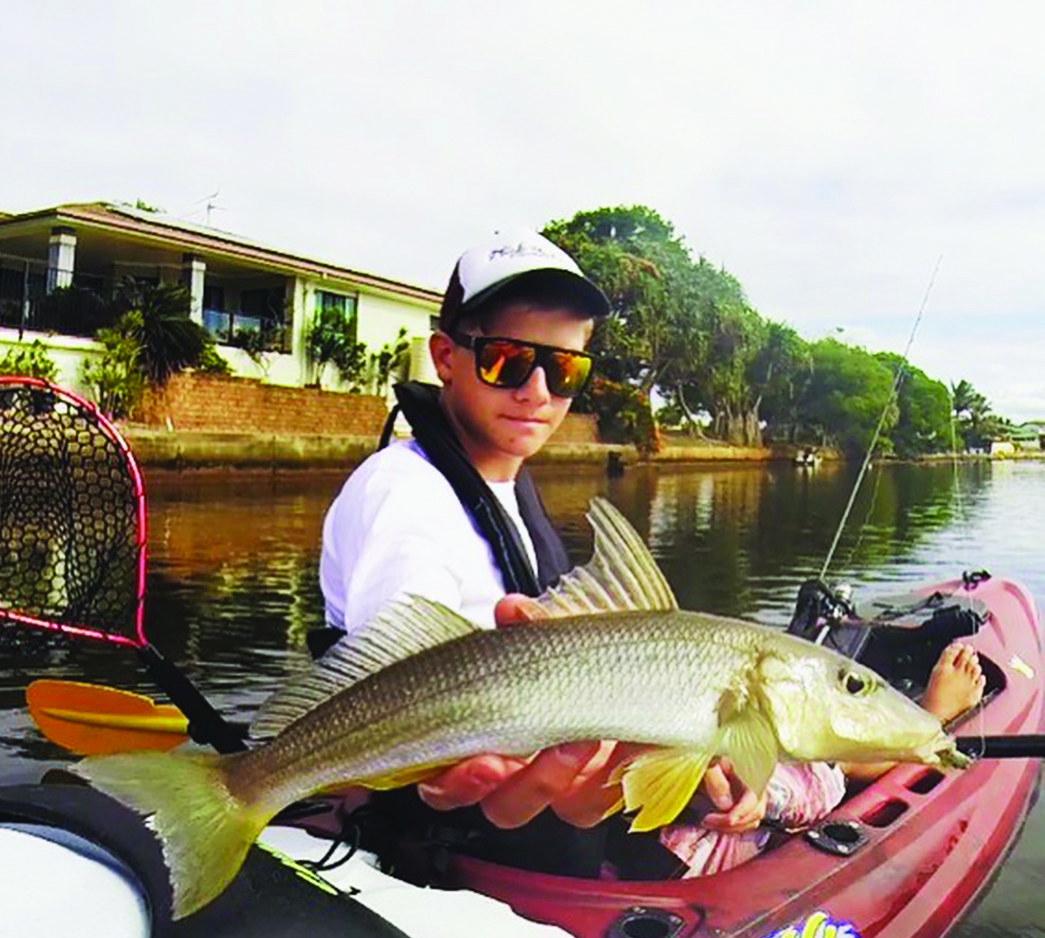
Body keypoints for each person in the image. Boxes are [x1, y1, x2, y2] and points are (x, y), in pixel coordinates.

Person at [318, 228, 757, 871]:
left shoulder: (505, 482)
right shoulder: (401, 496)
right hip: (459, 863)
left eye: (565, 367)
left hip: (543, 839)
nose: (538, 392)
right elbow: (398, 682)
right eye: (506, 360)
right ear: (444, 356)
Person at [659, 639, 987, 875]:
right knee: (812, 782)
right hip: (674, 859)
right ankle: (930, 718)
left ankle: (913, 728)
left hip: (664, 823)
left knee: (804, 769)